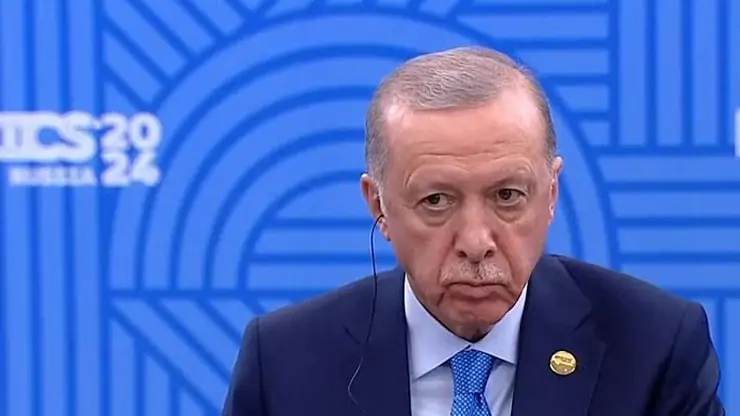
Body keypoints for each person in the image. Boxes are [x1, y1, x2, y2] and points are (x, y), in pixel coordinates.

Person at [221, 46, 725, 415]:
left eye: (507, 196)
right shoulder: (285, 364)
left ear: (551, 194)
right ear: (379, 205)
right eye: (436, 202)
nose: (477, 243)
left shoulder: (654, 347)